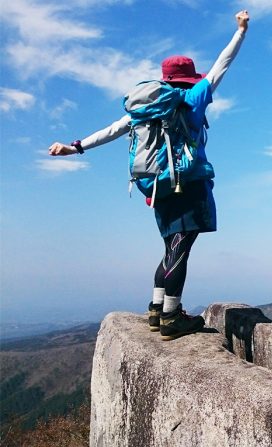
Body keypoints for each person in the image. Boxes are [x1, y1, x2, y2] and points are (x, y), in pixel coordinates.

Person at [48, 10, 250, 340]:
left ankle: (157, 310)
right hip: (188, 183)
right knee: (180, 251)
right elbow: (221, 66)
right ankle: (171, 317)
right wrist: (240, 31)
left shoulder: (145, 111)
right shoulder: (192, 98)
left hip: (156, 186)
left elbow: (113, 129)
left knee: (171, 247)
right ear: (188, 78)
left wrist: (75, 147)